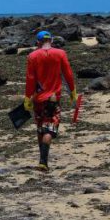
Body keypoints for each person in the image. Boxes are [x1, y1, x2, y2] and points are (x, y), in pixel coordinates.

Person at [23, 31, 77, 171]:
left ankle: (42, 160)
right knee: (50, 128)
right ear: (51, 41)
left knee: (40, 127)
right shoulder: (60, 53)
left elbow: (30, 79)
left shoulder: (32, 56)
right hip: (53, 98)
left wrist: (27, 98)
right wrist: (72, 92)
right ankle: (43, 162)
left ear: (38, 42)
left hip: (38, 98)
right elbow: (68, 74)